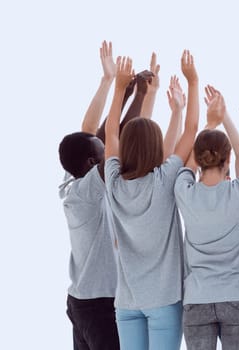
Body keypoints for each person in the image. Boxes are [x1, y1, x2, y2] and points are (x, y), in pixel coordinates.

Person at [103, 50, 199, 350]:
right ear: (158, 148)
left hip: (127, 302)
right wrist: (193, 82)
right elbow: (192, 131)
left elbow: (110, 134)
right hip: (164, 301)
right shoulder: (165, 179)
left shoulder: (114, 182)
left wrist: (119, 88)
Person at [174, 88, 239, 350]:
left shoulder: (184, 191)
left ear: (200, 160)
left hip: (198, 299)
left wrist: (211, 122)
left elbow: (187, 166)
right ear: (228, 160)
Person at [58, 40, 124, 350]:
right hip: (99, 305)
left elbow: (89, 134)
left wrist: (108, 81)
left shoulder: (72, 180)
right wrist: (125, 91)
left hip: (82, 301)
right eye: (101, 157)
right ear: (91, 163)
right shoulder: (86, 190)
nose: (108, 159)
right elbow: (109, 142)